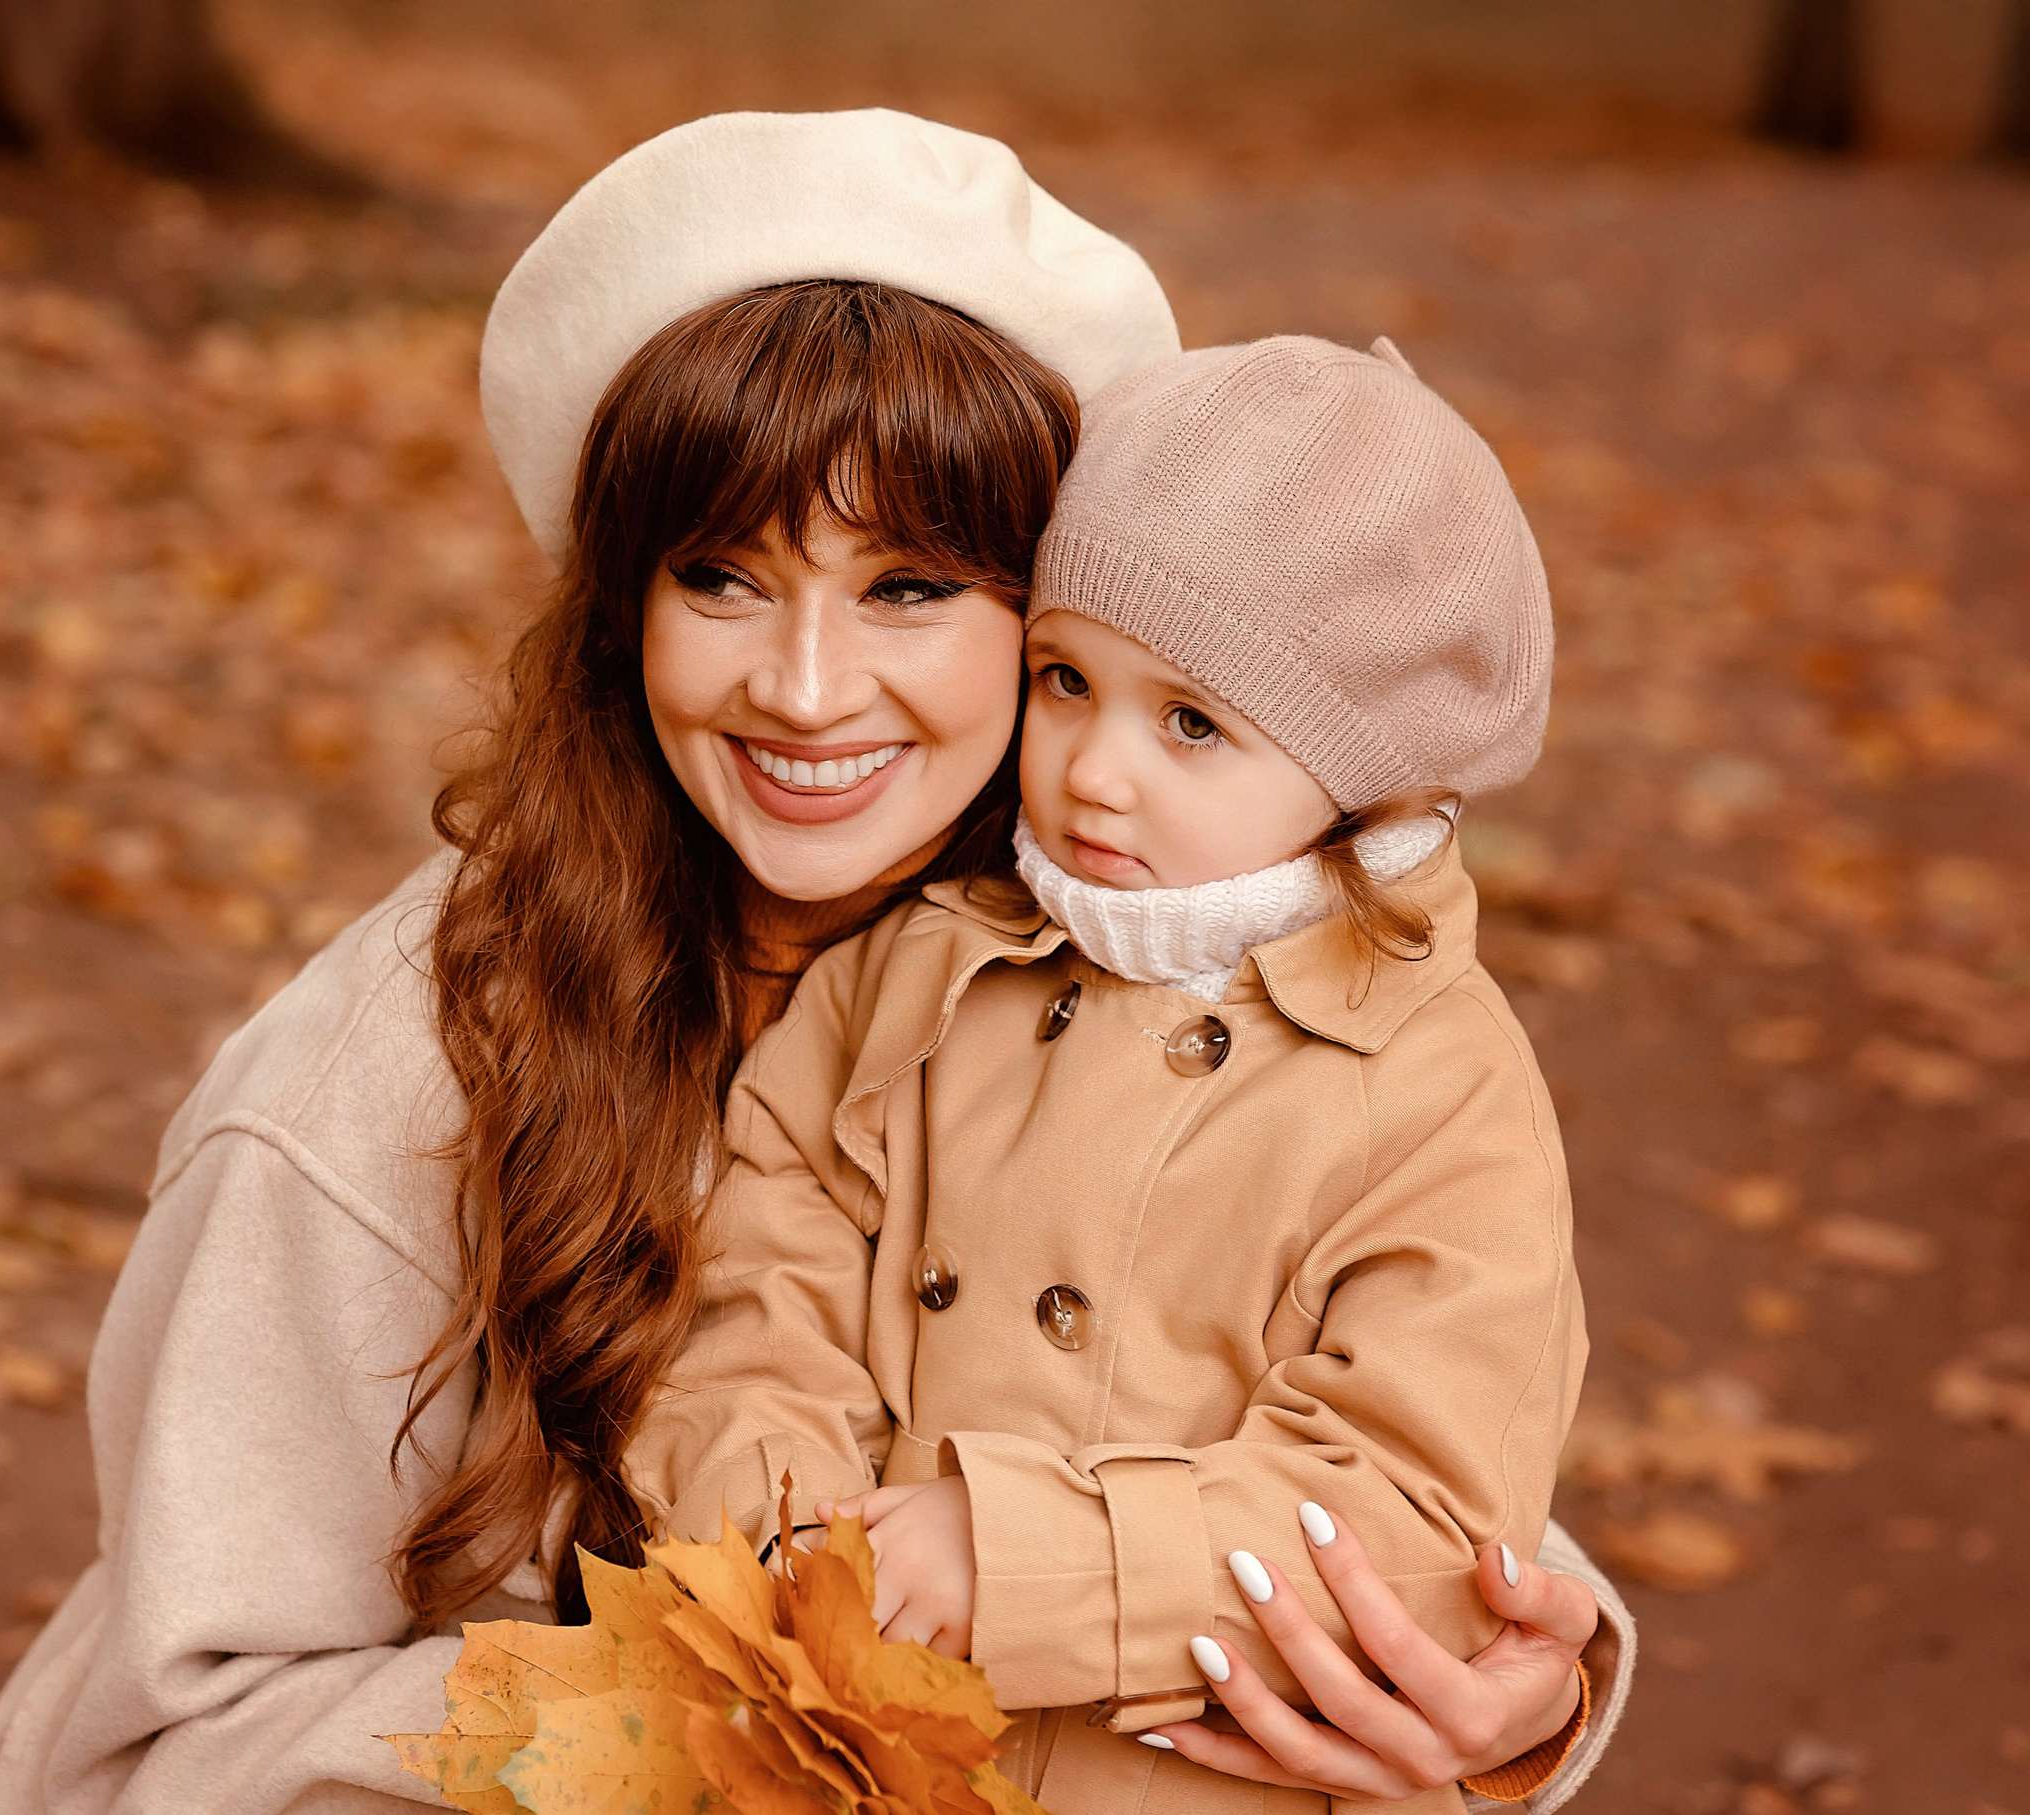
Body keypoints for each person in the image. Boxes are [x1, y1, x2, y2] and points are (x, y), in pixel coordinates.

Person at [0, 112, 1628, 1815]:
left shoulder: (1145, 957)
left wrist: (1508, 1692)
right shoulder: (383, 1089)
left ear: (1058, 625)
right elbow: (156, 1748)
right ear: (620, 605)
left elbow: (1394, 1435)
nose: (807, 693)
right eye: (723, 578)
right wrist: (719, 1729)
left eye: (909, 588)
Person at [627, 334, 1591, 1815]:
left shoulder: (1434, 1083)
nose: (1092, 770)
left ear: (1368, 774)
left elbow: (1417, 1498)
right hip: (845, 1748)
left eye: (1193, 722)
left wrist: (1008, 1564)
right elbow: (764, 1256)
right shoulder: (928, 965)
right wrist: (782, 1534)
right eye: (1067, 679)